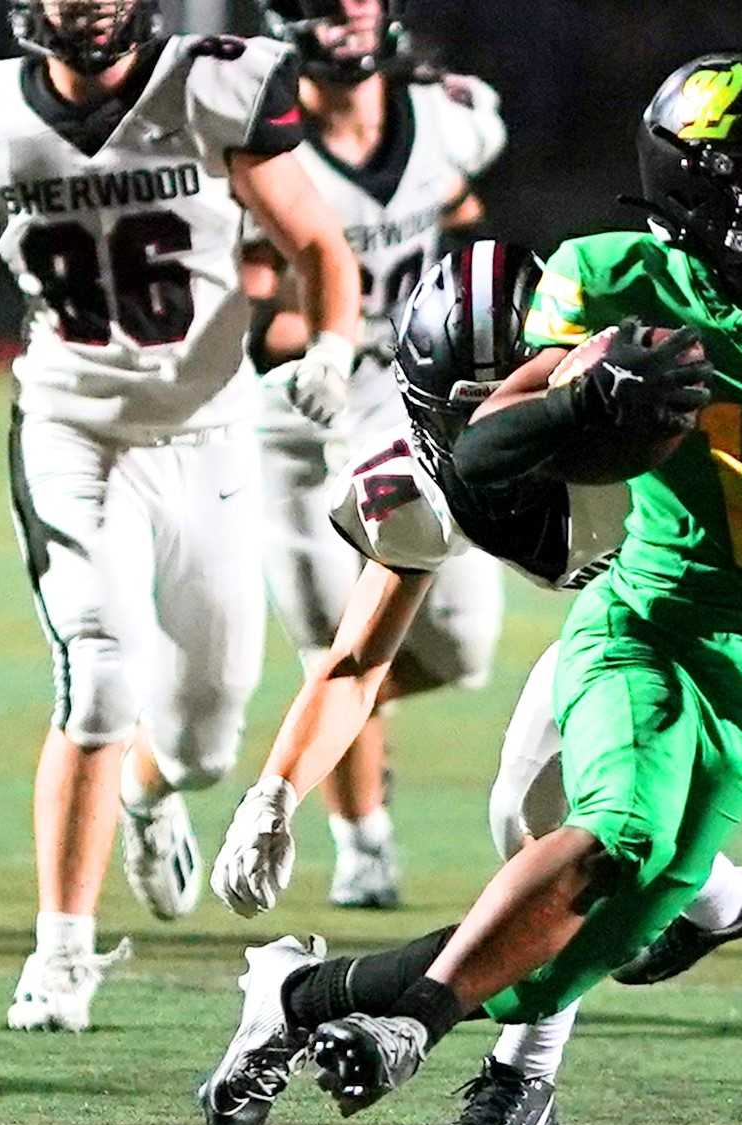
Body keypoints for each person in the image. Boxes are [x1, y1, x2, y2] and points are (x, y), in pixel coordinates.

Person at [196, 46, 742, 1125]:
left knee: (594, 921)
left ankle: (314, 992)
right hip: (642, 625)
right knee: (574, 836)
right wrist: (274, 794)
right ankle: (437, 1038)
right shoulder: (452, 459)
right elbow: (382, 616)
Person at [199, 241, 742, 1125]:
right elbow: (357, 662)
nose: (510, 435)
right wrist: (272, 793)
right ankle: (710, 908)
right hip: (623, 627)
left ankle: (521, 1059)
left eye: (531, 396)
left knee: (578, 828)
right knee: (548, 824)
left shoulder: (661, 410)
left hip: (732, 607)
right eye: (481, 411)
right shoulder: (413, 482)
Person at [0, 0, 361, 1032]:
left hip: (211, 436)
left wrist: (329, 345)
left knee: (205, 743)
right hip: (72, 431)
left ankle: (149, 791)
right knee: (98, 677)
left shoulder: (209, 86)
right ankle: (61, 952)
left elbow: (315, 238)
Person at [236, 0, 509, 909]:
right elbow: (251, 301)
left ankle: (360, 713)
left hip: (410, 402)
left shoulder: (449, 119)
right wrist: (309, 343)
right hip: (298, 417)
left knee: (463, 647)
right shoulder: (259, 138)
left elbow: (466, 223)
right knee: (330, 645)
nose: (347, 12)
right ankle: (363, 844)